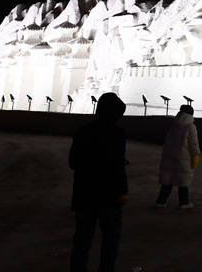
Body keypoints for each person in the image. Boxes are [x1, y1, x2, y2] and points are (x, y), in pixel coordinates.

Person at [69, 91, 128, 272]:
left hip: (84, 193)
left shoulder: (82, 132)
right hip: (108, 195)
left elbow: (73, 163)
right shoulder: (117, 133)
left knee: (83, 238)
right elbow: (117, 166)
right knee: (111, 236)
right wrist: (122, 191)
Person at [155, 104, 199, 209]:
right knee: (183, 180)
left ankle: (161, 201)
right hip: (184, 157)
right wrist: (195, 155)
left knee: (167, 179)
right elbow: (193, 144)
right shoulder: (190, 126)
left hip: (169, 156)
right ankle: (184, 202)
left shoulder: (174, 124)